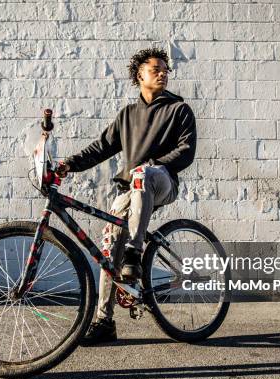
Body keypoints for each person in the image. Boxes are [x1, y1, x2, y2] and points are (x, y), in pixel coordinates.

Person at [55, 48, 197, 345]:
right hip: (129, 190)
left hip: (162, 181)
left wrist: (156, 164)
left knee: (142, 174)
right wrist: (69, 164)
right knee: (109, 249)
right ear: (139, 75)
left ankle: (134, 253)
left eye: (165, 69)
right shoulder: (128, 115)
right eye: (155, 68)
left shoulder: (178, 110)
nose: (162, 73)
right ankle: (104, 321)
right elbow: (100, 148)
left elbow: (186, 151)